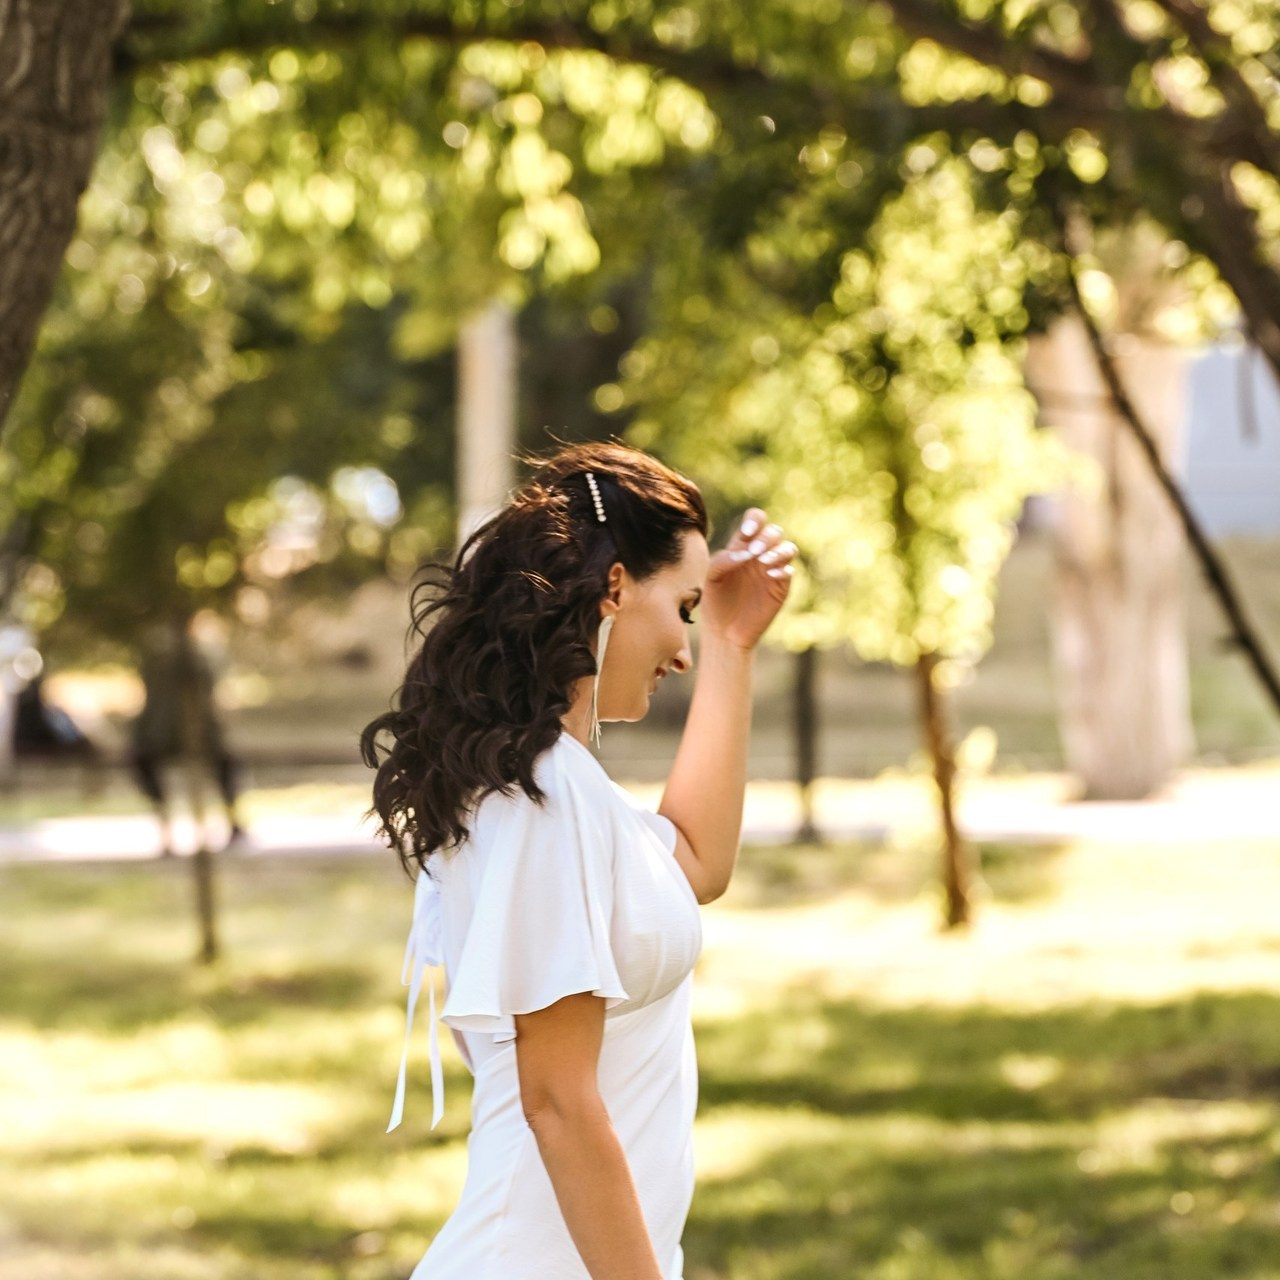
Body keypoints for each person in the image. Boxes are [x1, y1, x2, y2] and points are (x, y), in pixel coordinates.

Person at [362, 442, 797, 1280]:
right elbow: (557, 1102)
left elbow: (697, 863)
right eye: (686, 608)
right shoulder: (539, 798)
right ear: (614, 588)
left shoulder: (571, 791)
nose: (683, 650)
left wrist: (735, 645)